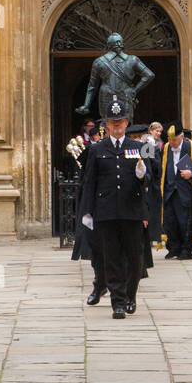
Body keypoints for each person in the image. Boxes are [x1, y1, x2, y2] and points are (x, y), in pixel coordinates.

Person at [78, 99, 150, 316]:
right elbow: (90, 181)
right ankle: (118, 303)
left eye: (120, 122)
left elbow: (151, 180)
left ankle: (130, 295)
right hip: (106, 211)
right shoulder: (97, 149)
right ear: (107, 125)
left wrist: (142, 174)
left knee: (134, 256)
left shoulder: (141, 147)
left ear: (127, 123)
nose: (117, 126)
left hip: (132, 209)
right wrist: (87, 211)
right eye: (113, 123)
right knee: (112, 257)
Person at [159, 122, 192, 259]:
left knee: (185, 223)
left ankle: (186, 249)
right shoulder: (165, 148)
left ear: (181, 137)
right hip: (170, 192)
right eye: (169, 140)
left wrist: (191, 172)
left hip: (186, 192)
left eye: (174, 140)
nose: (171, 142)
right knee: (170, 222)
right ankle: (174, 247)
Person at [70, 125, 107, 305]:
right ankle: (99, 284)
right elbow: (88, 181)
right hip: (98, 207)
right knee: (97, 252)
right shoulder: (94, 151)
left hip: (119, 208)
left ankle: (122, 295)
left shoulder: (131, 148)